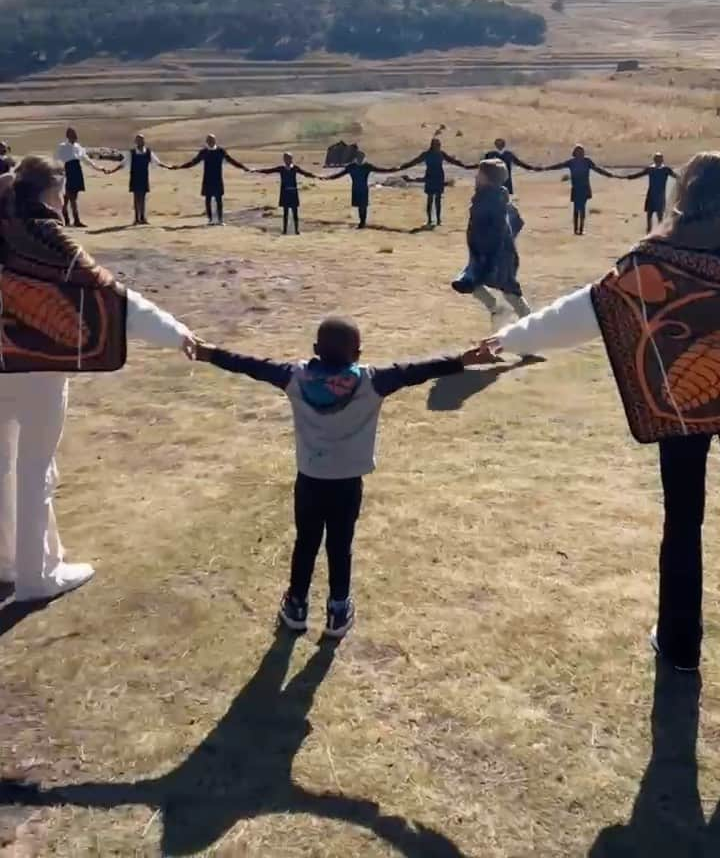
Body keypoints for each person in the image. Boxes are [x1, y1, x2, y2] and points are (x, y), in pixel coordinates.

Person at [486, 152, 720, 673]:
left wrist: (508, 340)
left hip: (684, 407)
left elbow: (580, 311)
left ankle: (681, 645)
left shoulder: (654, 262)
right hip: (687, 402)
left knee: (683, 522)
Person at [195, 316, 487, 638]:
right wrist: (462, 360)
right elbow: (418, 370)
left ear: (316, 349)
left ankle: (296, 605)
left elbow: (249, 364)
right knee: (340, 544)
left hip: (310, 479)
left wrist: (211, 353)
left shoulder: (295, 377)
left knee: (305, 542)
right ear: (359, 353)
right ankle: (337, 610)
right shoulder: (373, 381)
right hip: (348, 482)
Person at [0, 156, 194, 602]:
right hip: (39, 373)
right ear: (50, 193)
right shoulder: (45, 236)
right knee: (35, 470)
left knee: (3, 466)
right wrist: (176, 334)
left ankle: (8, 560)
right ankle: (38, 575)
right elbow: (115, 298)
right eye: (60, 190)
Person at [452, 158, 531, 326]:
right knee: (469, 282)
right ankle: (497, 309)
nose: (476, 177)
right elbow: (517, 222)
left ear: (488, 178)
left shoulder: (494, 200)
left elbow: (508, 224)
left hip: (496, 255)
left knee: (508, 290)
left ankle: (528, 320)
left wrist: (496, 248)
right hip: (484, 253)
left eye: (479, 174)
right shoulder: (489, 197)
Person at [540, 144, 617, 235]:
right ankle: (575, 229)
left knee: (582, 208)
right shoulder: (572, 162)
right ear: (575, 153)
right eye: (578, 152)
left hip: (584, 188)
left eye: (581, 152)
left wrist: (609, 174)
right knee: (576, 209)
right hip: (576, 188)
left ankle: (581, 229)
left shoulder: (587, 162)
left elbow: (597, 169)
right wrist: (545, 168)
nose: (580, 153)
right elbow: (558, 166)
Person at [397, 136, 472, 228]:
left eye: (439, 145)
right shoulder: (427, 154)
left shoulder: (441, 154)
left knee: (438, 199)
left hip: (439, 177)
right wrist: (403, 166)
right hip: (430, 177)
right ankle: (429, 220)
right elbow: (415, 161)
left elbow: (452, 161)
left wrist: (464, 166)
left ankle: (438, 220)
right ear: (433, 145)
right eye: (437, 145)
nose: (439, 146)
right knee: (430, 199)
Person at [172, 134, 246, 226]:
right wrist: (180, 167)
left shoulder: (220, 151)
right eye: (209, 140)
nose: (210, 142)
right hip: (207, 179)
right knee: (208, 199)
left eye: (212, 140)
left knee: (219, 199)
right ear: (206, 142)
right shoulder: (204, 152)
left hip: (217, 178)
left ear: (215, 141)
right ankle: (210, 219)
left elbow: (232, 161)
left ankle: (220, 220)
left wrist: (243, 167)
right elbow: (193, 162)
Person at [320, 149, 399, 229]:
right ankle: (362, 222)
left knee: (362, 206)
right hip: (358, 189)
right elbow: (338, 175)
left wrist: (395, 169)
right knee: (361, 206)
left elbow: (382, 170)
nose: (360, 159)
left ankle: (362, 223)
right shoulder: (354, 167)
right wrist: (326, 178)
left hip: (361, 189)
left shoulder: (363, 166)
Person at [107, 133, 169, 225]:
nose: (141, 142)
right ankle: (136, 218)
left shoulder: (148, 152)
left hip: (144, 176)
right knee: (136, 197)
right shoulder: (131, 153)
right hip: (135, 176)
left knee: (143, 197)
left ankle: (143, 217)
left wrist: (169, 167)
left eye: (142, 140)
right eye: (139, 140)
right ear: (136, 142)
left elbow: (157, 162)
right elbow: (123, 164)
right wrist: (112, 170)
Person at [248, 152, 316, 234]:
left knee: (295, 213)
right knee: (285, 213)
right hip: (285, 192)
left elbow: (306, 173)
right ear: (284, 159)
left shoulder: (295, 168)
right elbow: (269, 171)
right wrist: (256, 170)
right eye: (286, 158)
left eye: (289, 158)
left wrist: (317, 177)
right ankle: (284, 231)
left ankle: (296, 231)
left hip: (293, 192)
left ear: (291, 159)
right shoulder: (281, 168)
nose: (288, 160)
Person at [55, 127, 109, 228]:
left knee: (72, 198)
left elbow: (87, 160)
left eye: (75, 134)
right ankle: (69, 220)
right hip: (67, 172)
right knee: (66, 198)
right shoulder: (62, 146)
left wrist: (100, 168)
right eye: (72, 134)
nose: (75, 136)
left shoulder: (78, 147)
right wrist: (59, 172)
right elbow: (57, 160)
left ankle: (73, 220)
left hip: (76, 172)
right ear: (67, 136)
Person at [624, 152, 678, 233]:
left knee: (657, 216)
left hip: (658, 195)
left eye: (659, 159)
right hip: (652, 195)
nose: (658, 160)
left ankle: (658, 232)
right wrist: (628, 177)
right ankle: (652, 232)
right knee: (651, 216)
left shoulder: (664, 169)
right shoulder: (652, 169)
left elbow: (677, 177)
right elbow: (638, 175)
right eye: (657, 159)